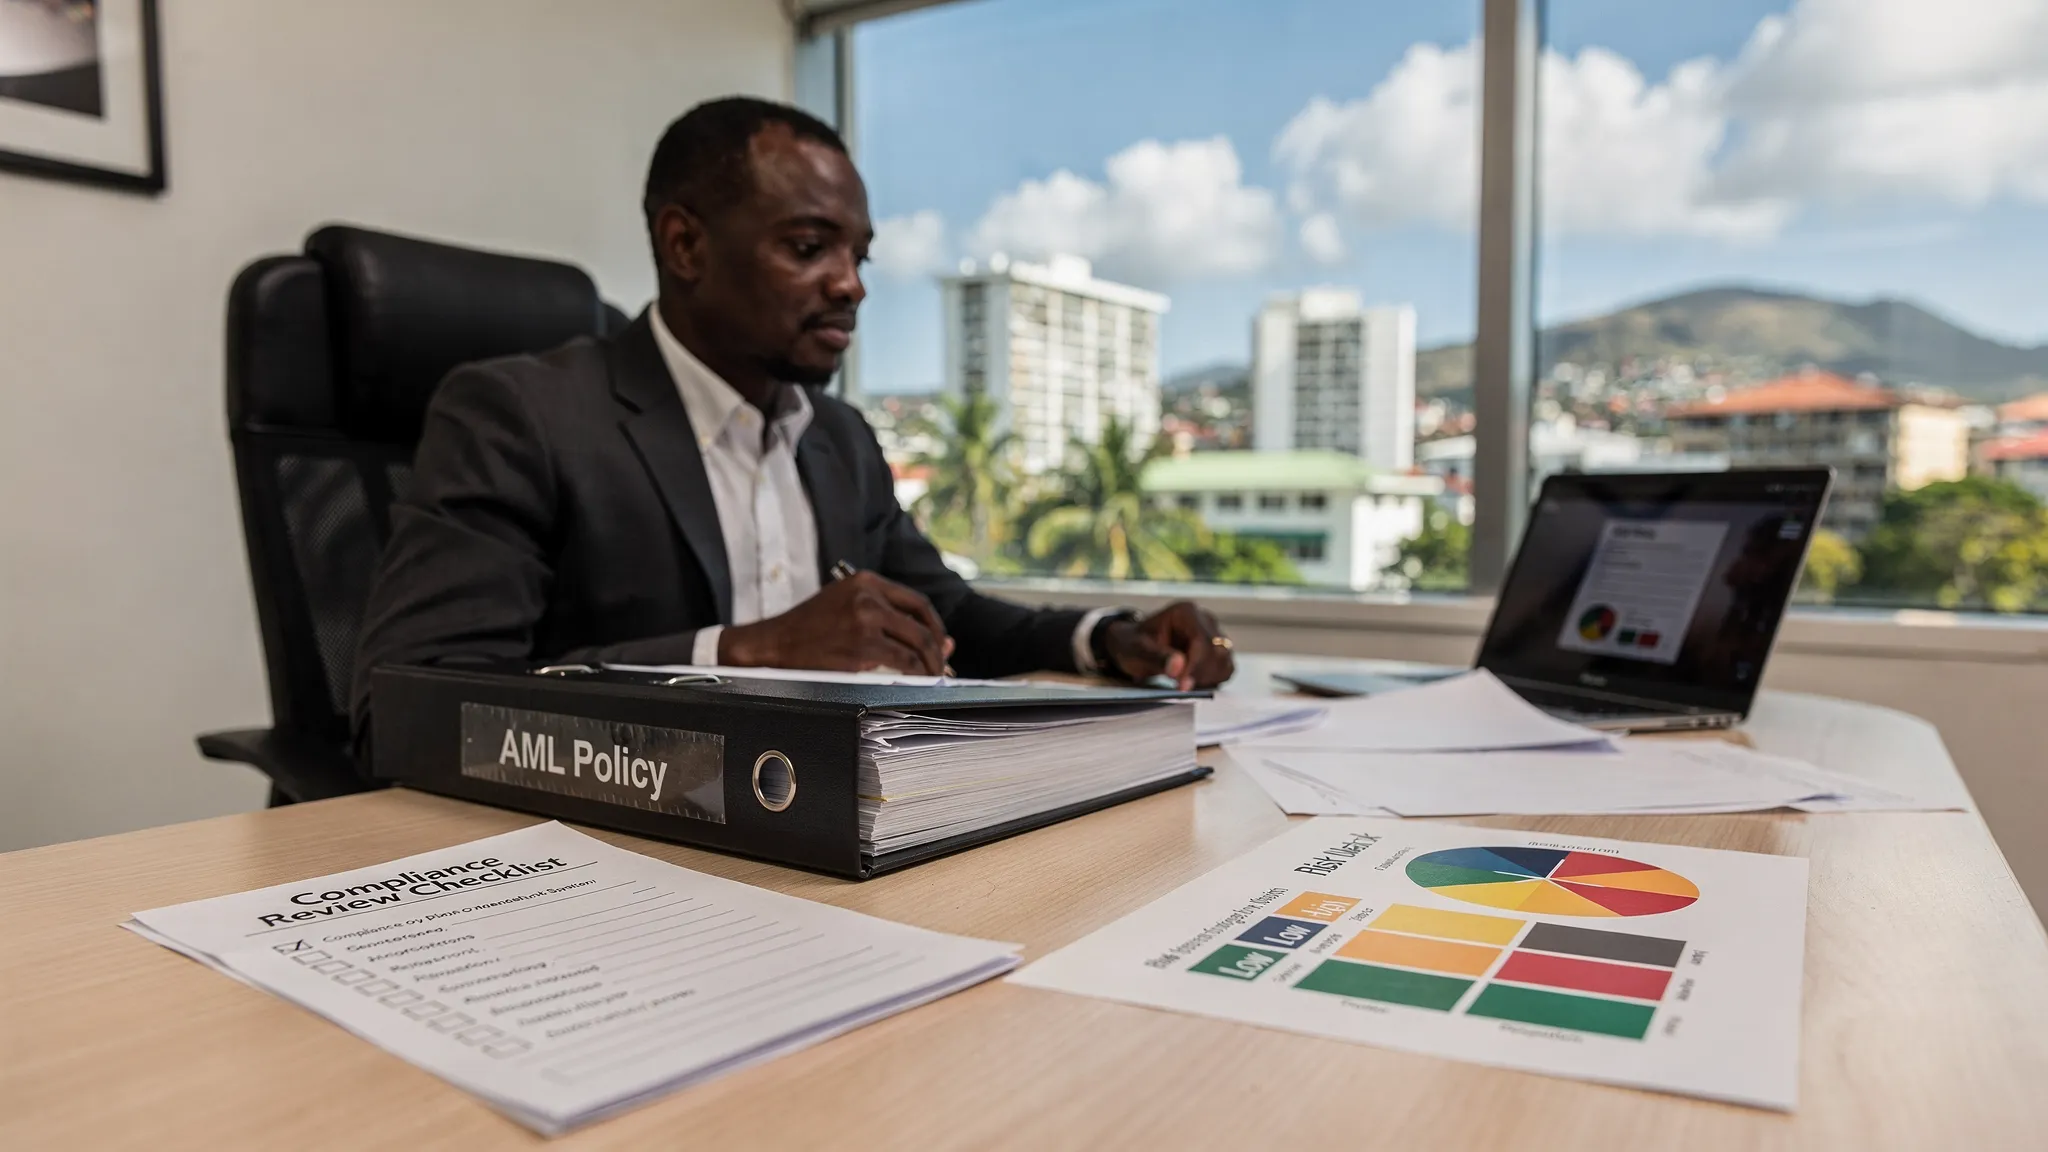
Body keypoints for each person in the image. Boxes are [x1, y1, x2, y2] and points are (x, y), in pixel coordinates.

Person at [348, 96, 1235, 769]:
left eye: (860, 255)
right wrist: (741, 653)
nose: (850, 284)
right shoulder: (522, 416)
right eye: (809, 247)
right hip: (602, 859)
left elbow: (946, 613)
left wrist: (1108, 638)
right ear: (685, 246)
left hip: (807, 821)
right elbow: (409, 701)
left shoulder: (839, 438)